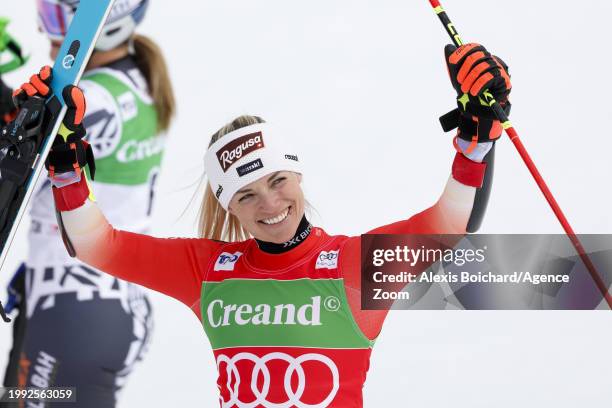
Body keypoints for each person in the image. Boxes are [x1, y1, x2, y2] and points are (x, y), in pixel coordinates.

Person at [8, 41, 510, 407]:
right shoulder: (208, 273)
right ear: (230, 208)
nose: (269, 203)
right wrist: (66, 166)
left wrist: (477, 137)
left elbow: (451, 222)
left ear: (297, 174)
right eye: (246, 195)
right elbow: (96, 245)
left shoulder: (354, 266)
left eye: (277, 180)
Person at [1, 0, 175, 406]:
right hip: (97, 307)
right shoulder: (135, 81)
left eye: (60, 19)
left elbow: (34, 139)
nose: (48, 33)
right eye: (46, 16)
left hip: (72, 314)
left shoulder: (97, 100)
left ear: (104, 25)